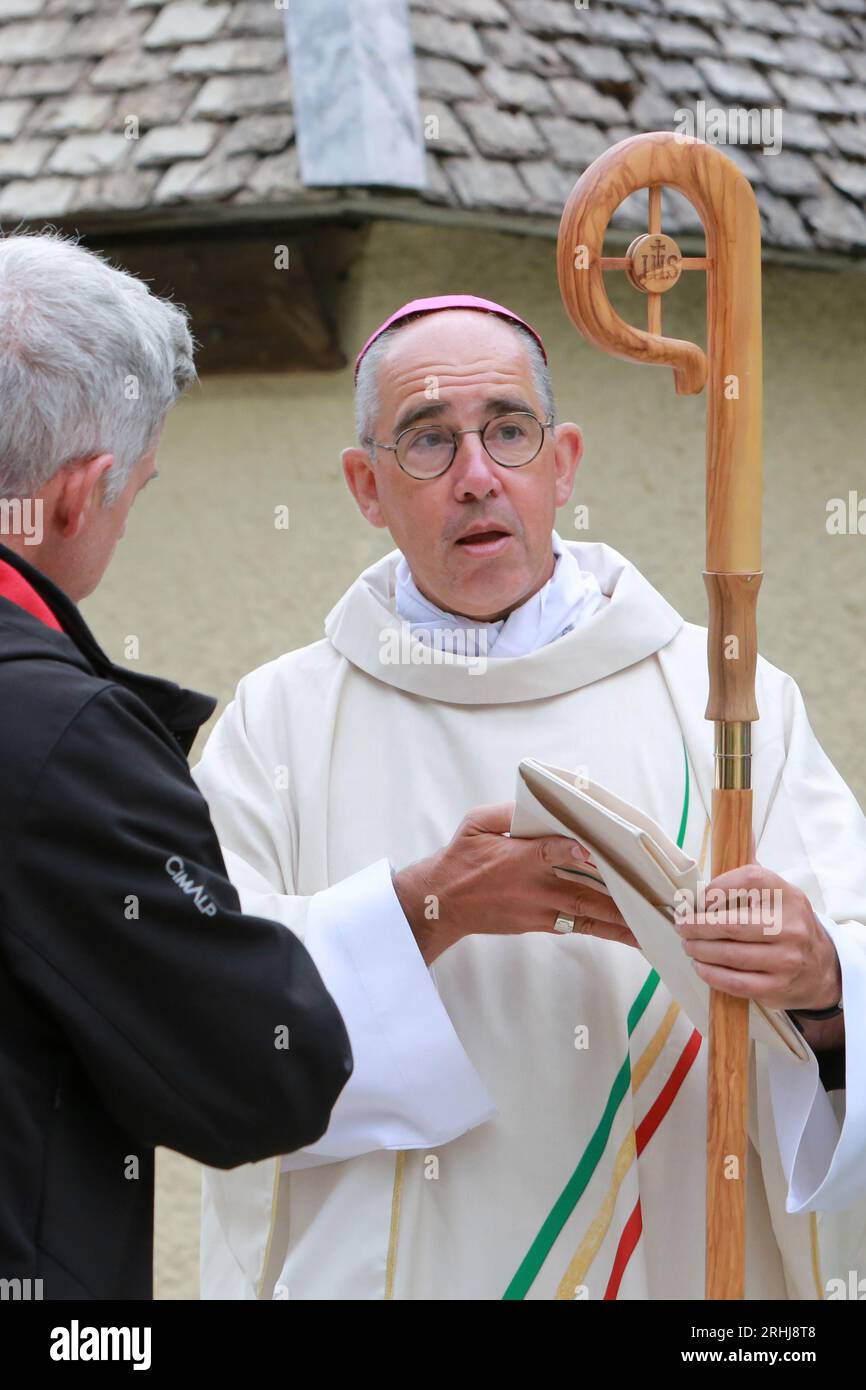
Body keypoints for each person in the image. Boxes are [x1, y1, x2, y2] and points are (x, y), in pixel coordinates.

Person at [195, 295, 866, 1301]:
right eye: (426, 440)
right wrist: (423, 909)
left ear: (562, 463)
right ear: (363, 485)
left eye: (508, 430)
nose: (475, 476)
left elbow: (842, 959)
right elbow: (196, 1008)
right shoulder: (279, 724)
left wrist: (819, 983)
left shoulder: (725, 700)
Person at [0, 231, 352, 1301]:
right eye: (137, 494)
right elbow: (258, 1077)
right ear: (80, 492)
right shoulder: (57, 735)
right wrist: (409, 916)